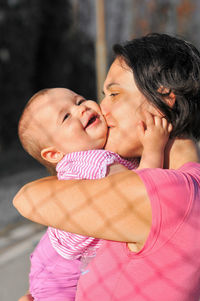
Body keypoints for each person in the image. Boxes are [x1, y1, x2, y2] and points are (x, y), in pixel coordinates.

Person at [13, 33, 200, 301]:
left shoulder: (170, 193)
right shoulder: (179, 182)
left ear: (165, 98)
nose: (101, 108)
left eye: (114, 94)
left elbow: (25, 198)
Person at [17, 87, 170, 301]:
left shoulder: (98, 154)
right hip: (61, 270)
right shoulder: (89, 161)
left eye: (79, 101)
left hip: (61, 257)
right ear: (54, 153)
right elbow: (138, 189)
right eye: (66, 116)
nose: (81, 109)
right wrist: (154, 147)